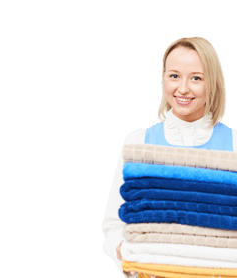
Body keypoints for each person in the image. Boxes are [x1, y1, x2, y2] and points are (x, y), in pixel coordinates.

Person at [101, 36, 237, 278]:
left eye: (196, 78)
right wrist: (132, 256)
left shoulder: (235, 144)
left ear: (212, 83)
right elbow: (114, 224)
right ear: (163, 78)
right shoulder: (138, 143)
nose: (183, 88)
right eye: (174, 76)